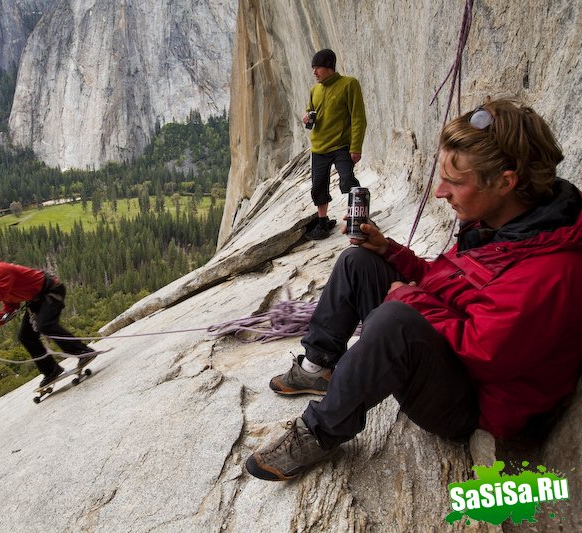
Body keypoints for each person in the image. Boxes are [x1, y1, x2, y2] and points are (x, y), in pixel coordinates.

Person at [246, 98, 582, 481]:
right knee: (359, 262)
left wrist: (409, 300)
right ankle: (316, 366)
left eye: (455, 182)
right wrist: (391, 253)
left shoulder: (551, 269)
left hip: (473, 404)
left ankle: (319, 432)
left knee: (394, 321)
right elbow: (449, 286)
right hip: (452, 360)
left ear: (506, 182)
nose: (440, 192)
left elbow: (485, 354)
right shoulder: (503, 225)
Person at [0, 255, 96, 388]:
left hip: (50, 292)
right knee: (26, 336)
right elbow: (10, 306)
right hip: (38, 299)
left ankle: (82, 352)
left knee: (45, 325)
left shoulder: (0, 271)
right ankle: (51, 370)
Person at [303, 48, 367, 240]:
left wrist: (356, 147)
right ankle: (323, 224)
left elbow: (358, 118)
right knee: (318, 187)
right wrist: (307, 118)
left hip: (341, 146)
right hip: (319, 147)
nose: (314, 72)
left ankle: (359, 219)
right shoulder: (315, 89)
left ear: (329, 67)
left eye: (318, 68)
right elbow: (310, 110)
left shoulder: (349, 84)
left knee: (348, 180)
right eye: (313, 68)